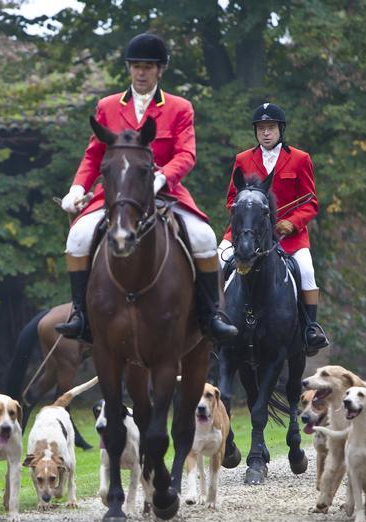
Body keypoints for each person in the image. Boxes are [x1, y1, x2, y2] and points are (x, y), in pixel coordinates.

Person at [57, 32, 238, 344]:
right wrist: (76, 188)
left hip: (165, 192)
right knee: (78, 236)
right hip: (117, 195)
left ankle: (212, 315)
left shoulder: (180, 108)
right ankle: (80, 314)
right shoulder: (108, 106)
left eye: (148, 67)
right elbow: (93, 155)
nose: (141, 73)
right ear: (129, 68)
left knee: (204, 237)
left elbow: (186, 154)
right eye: (136, 66)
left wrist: (162, 177)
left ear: (160, 70)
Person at [220, 102, 329, 353]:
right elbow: (230, 201)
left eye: (270, 128)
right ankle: (214, 321)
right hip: (247, 233)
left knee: (306, 270)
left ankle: (309, 328)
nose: (265, 133)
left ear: (280, 130)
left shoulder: (300, 159)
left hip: (288, 235)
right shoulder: (243, 159)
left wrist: (292, 223)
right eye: (261, 128)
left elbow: (310, 203)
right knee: (216, 260)